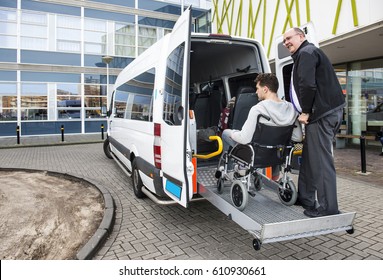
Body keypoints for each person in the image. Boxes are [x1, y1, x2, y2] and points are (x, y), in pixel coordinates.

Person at [283, 27, 346, 217]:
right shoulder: (307, 53)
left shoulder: (307, 53)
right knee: (310, 157)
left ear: (301, 36)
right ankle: (306, 197)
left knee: (320, 161)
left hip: (321, 115)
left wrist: (306, 111)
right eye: (284, 40)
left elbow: (307, 84)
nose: (286, 42)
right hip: (328, 112)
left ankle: (328, 208)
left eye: (289, 38)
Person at [221, 73, 298, 181]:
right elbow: (297, 137)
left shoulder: (258, 109)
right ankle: (274, 175)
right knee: (276, 144)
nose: (256, 91)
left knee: (225, 134)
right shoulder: (291, 108)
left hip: (255, 155)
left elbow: (244, 138)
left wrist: (233, 133)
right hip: (278, 155)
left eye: (257, 88)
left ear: (265, 89)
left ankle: (229, 171)